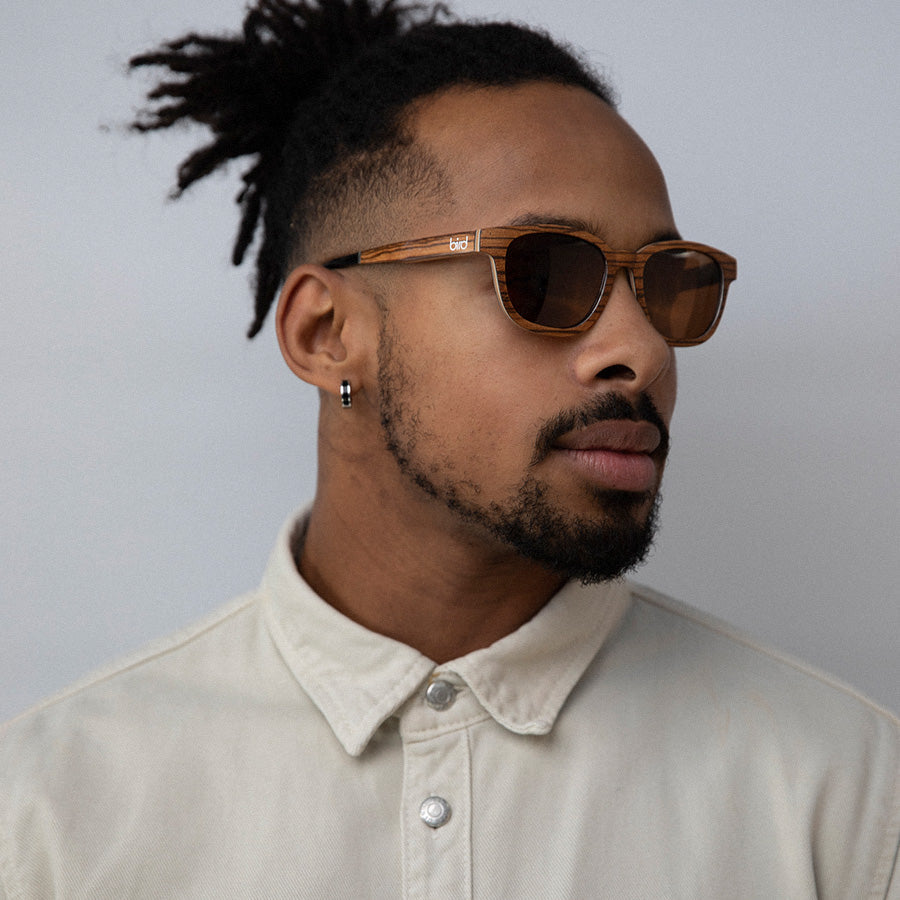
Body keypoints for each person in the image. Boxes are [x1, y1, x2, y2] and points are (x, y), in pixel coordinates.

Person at [0, 0, 897, 896]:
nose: (645, 349)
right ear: (324, 332)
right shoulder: (53, 809)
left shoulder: (844, 794)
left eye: (669, 285)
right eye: (546, 273)